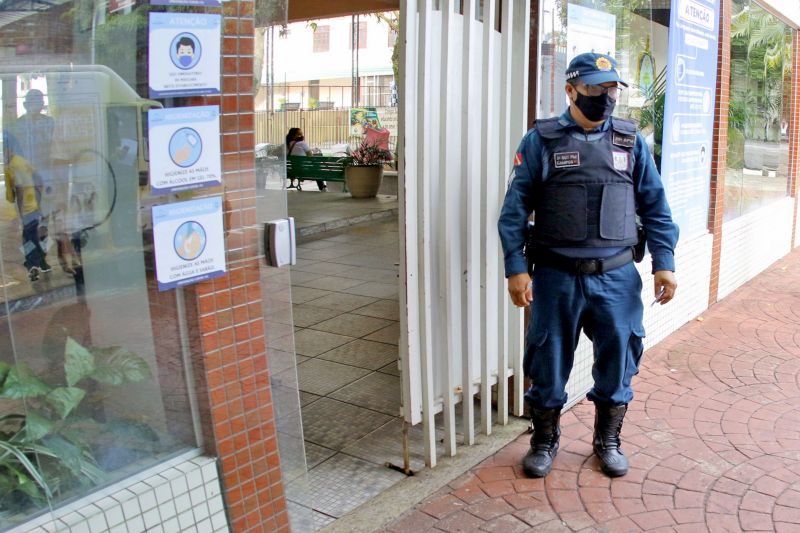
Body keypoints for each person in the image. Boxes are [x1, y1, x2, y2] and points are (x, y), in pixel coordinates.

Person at [498, 53, 679, 479]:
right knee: (547, 361)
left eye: (612, 89)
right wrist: (515, 266)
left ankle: (607, 440)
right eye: (597, 89)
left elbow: (655, 206)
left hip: (617, 277)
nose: (606, 97)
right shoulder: (540, 141)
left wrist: (664, 262)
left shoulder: (632, 141)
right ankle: (544, 441)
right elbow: (513, 211)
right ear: (571, 90)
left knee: (618, 360)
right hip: (556, 276)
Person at [3, 132, 51, 280]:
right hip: (34, 206)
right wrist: (39, 199)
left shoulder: (13, 166)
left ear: (8, 150)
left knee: (29, 238)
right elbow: (38, 179)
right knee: (33, 236)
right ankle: (38, 262)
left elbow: (19, 189)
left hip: (27, 209)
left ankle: (36, 263)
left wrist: (21, 211)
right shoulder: (21, 161)